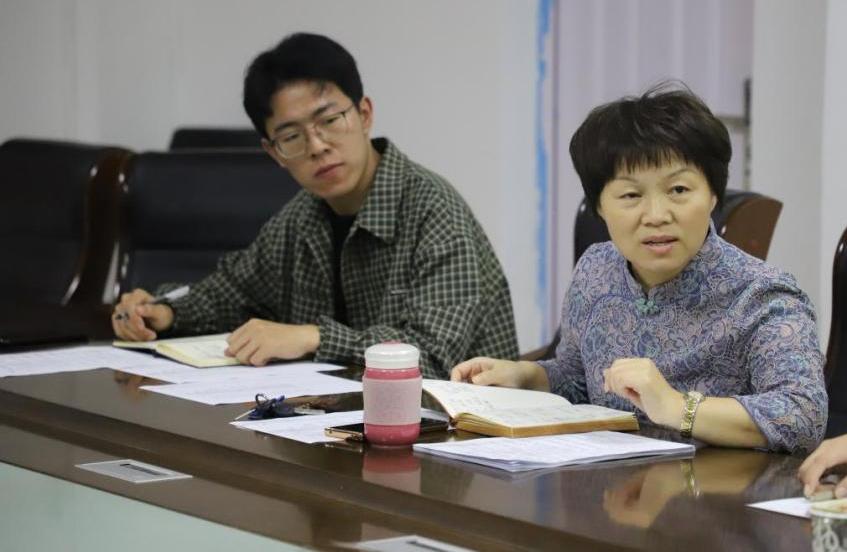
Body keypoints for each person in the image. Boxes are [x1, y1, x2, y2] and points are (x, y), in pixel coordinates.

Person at [112, 33, 519, 378]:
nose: (317, 146)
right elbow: (230, 292)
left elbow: (434, 359)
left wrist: (313, 337)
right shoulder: (300, 218)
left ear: (364, 114)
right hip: (337, 426)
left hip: (462, 431)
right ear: (274, 153)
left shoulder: (433, 211)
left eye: (329, 120)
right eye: (292, 137)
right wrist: (163, 312)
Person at [452, 84, 826, 453]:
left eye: (678, 190)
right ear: (600, 207)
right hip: (608, 481)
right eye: (631, 195)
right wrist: (527, 376)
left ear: (713, 195)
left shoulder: (762, 294)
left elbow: (802, 416)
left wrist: (677, 407)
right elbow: (579, 378)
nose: (656, 215)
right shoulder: (596, 270)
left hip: (716, 487)